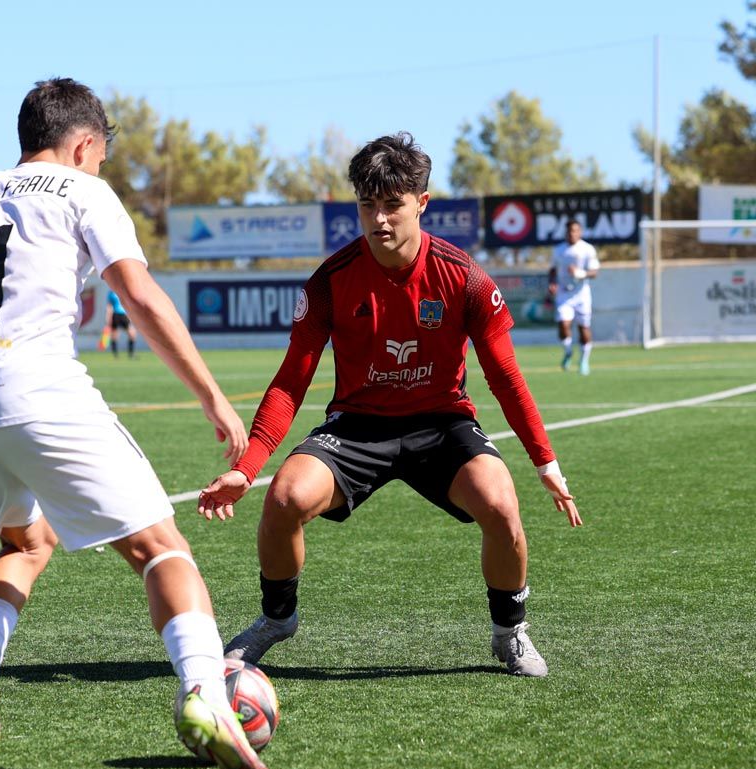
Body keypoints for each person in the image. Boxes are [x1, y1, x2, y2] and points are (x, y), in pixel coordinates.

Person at [0, 78, 269, 769]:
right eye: (101, 157)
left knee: (25, 541)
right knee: (162, 550)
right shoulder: (83, 191)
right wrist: (214, 397)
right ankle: (206, 697)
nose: (100, 169)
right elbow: (138, 293)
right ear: (85, 145)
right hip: (38, 392)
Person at [197, 132, 583, 679]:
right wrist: (246, 468)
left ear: (422, 203)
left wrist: (545, 462)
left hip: (442, 423)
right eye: (367, 205)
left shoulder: (463, 277)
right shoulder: (332, 281)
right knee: (283, 498)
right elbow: (291, 382)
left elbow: (506, 377)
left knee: (500, 505)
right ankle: (277, 619)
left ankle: (510, 632)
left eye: (392, 204)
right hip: (357, 427)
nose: (379, 219)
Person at [549, 219, 600, 375]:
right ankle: (568, 352)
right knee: (563, 325)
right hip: (564, 293)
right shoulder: (558, 250)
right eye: (569, 231)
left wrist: (580, 273)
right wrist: (552, 283)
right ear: (565, 233)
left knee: (583, 328)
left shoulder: (587, 249)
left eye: (575, 230)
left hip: (581, 295)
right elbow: (552, 270)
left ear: (580, 232)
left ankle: (584, 360)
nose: (572, 233)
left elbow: (595, 272)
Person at [106, 288, 138, 358]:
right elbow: (109, 306)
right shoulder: (111, 293)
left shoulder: (122, 290)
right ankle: (115, 355)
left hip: (123, 315)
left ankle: (131, 354)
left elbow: (127, 305)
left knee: (132, 334)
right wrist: (108, 319)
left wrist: (129, 316)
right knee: (115, 336)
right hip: (115, 315)